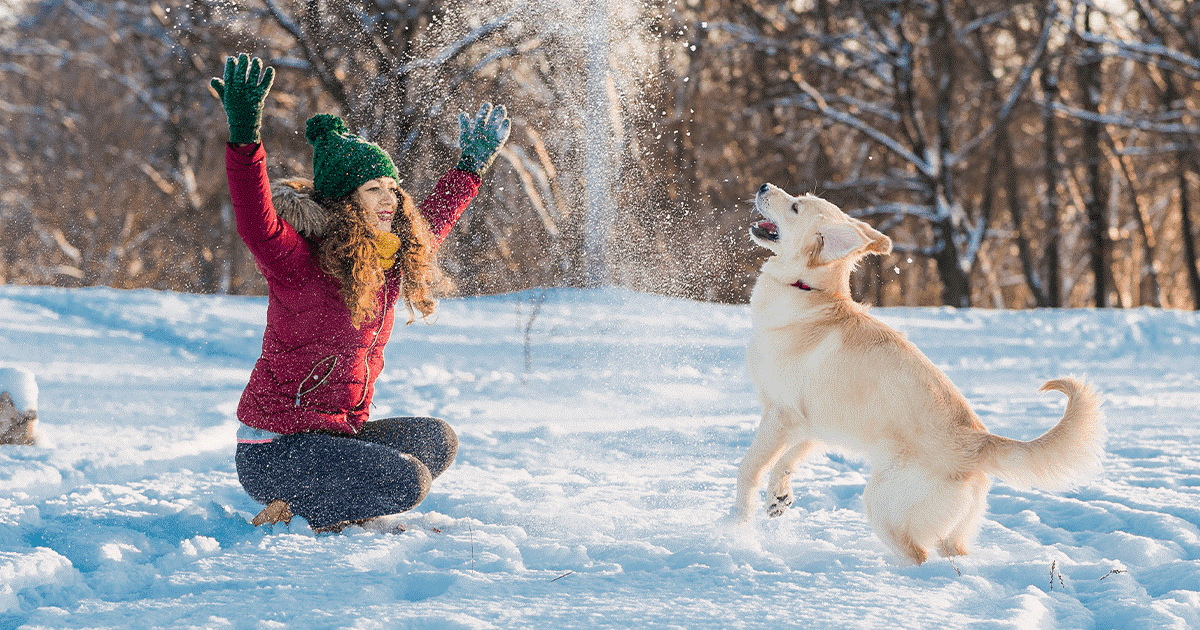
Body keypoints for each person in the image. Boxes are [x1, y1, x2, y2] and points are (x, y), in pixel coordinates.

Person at [211, 54, 510, 532]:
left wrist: (469, 169)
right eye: (375, 188)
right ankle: (299, 514)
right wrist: (246, 139)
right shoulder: (298, 262)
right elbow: (256, 220)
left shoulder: (386, 257)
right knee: (407, 483)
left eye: (393, 187)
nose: (391, 199)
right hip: (276, 450)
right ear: (348, 200)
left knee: (436, 440)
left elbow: (431, 224)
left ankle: (332, 501)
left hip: (333, 436)